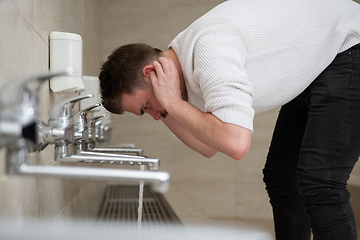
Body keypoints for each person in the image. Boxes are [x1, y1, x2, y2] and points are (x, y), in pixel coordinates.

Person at [99, 0, 360, 239]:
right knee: (281, 178)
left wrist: (172, 103)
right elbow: (209, 145)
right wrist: (166, 106)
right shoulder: (185, 70)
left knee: (320, 182)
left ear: (150, 73)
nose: (155, 116)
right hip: (318, 67)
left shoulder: (208, 49)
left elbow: (236, 144)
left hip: (347, 46)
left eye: (146, 107)